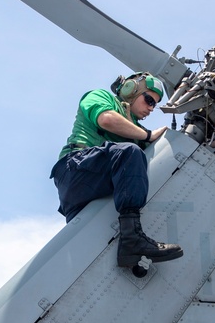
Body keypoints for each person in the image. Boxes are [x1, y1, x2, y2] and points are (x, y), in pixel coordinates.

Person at [50, 72, 183, 267]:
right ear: (131, 90)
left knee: (90, 251)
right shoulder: (100, 97)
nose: (151, 108)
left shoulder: (135, 131)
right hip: (75, 169)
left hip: (89, 191)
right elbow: (106, 120)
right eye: (148, 100)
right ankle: (132, 238)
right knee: (131, 152)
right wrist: (148, 135)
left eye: (154, 104)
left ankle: (128, 249)